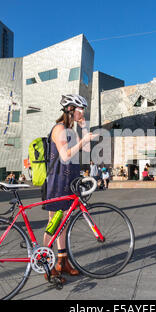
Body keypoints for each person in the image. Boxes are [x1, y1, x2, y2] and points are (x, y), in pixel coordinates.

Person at [43, 93, 97, 284]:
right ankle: (47, 265)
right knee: (55, 223)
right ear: (70, 109)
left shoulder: (71, 130)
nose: (83, 112)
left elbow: (87, 151)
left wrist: (84, 128)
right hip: (58, 182)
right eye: (80, 109)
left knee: (63, 224)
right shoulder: (59, 129)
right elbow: (65, 156)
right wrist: (82, 141)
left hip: (69, 182)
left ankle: (62, 261)